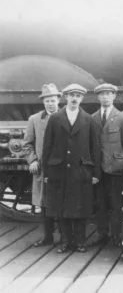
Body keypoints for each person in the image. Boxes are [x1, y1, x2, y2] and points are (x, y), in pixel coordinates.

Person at [42, 84, 101, 253]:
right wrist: (47, 172)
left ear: (82, 99)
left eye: (78, 96)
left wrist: (95, 173)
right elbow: (48, 146)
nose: (74, 98)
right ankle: (65, 241)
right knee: (61, 207)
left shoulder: (88, 119)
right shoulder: (55, 118)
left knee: (81, 206)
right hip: (59, 170)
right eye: (71, 95)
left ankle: (80, 241)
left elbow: (95, 147)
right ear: (65, 97)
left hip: (81, 170)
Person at [91, 83, 123, 246]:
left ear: (114, 96)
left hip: (116, 167)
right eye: (102, 94)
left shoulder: (122, 117)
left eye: (108, 94)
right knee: (100, 203)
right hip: (98, 168)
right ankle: (102, 234)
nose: (105, 97)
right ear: (98, 97)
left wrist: (121, 162)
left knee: (116, 203)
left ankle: (116, 235)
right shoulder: (92, 117)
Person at [23, 83, 61, 247]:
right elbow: (28, 144)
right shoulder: (35, 119)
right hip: (43, 169)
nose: (50, 104)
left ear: (58, 100)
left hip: (62, 168)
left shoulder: (66, 117)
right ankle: (47, 236)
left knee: (62, 201)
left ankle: (65, 237)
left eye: (53, 100)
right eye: (47, 101)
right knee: (44, 204)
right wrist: (32, 160)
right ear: (43, 102)